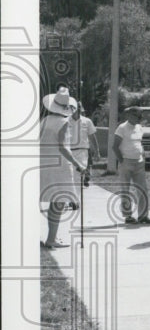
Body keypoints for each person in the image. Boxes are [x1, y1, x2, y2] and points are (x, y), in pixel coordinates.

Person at [39, 86, 86, 248]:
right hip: (60, 166)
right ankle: (51, 238)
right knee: (58, 202)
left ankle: (50, 237)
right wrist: (78, 164)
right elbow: (63, 147)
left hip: (44, 163)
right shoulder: (63, 122)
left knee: (49, 200)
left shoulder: (44, 121)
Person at [113, 106, 150, 224]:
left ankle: (143, 215)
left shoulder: (139, 128)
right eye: (137, 116)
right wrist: (122, 161)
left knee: (143, 189)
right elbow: (115, 146)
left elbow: (139, 143)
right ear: (129, 115)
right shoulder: (122, 128)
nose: (139, 118)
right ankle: (128, 216)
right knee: (125, 189)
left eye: (141, 116)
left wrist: (143, 156)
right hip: (126, 161)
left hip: (139, 162)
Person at [66, 100, 100, 184]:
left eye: (78, 108)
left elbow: (92, 137)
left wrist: (97, 151)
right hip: (68, 152)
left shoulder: (87, 121)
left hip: (82, 152)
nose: (76, 110)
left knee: (78, 177)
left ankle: (77, 196)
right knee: (69, 177)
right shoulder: (65, 121)